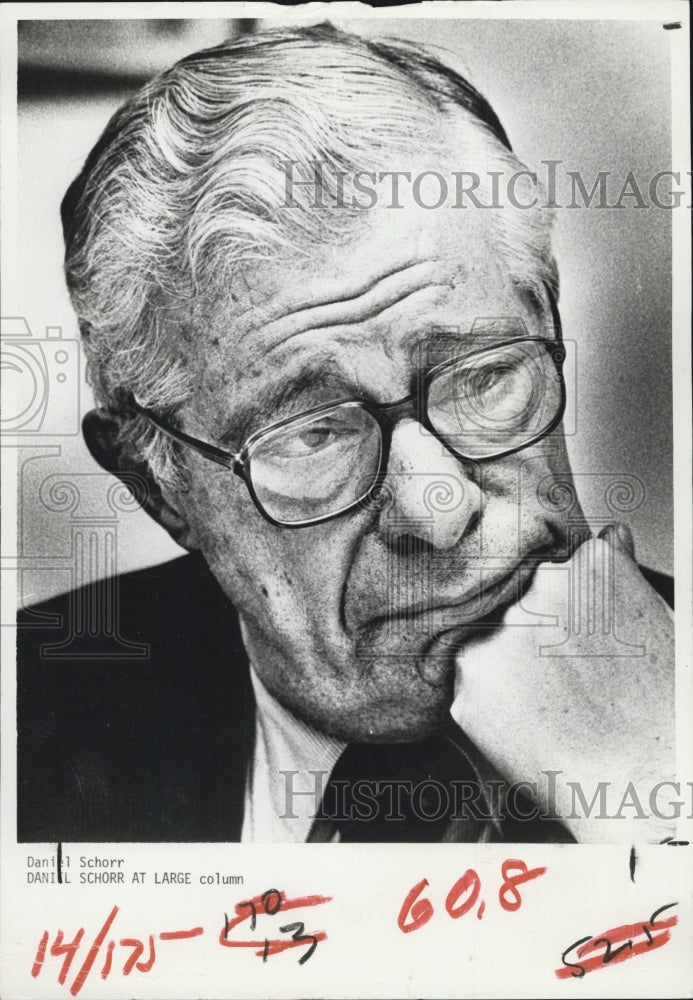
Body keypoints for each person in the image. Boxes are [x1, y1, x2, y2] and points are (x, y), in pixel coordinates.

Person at [17, 23, 675, 844]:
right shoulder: (30, 713)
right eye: (314, 432)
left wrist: (653, 790)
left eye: (482, 378)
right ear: (159, 488)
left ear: (552, 331)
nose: (438, 512)